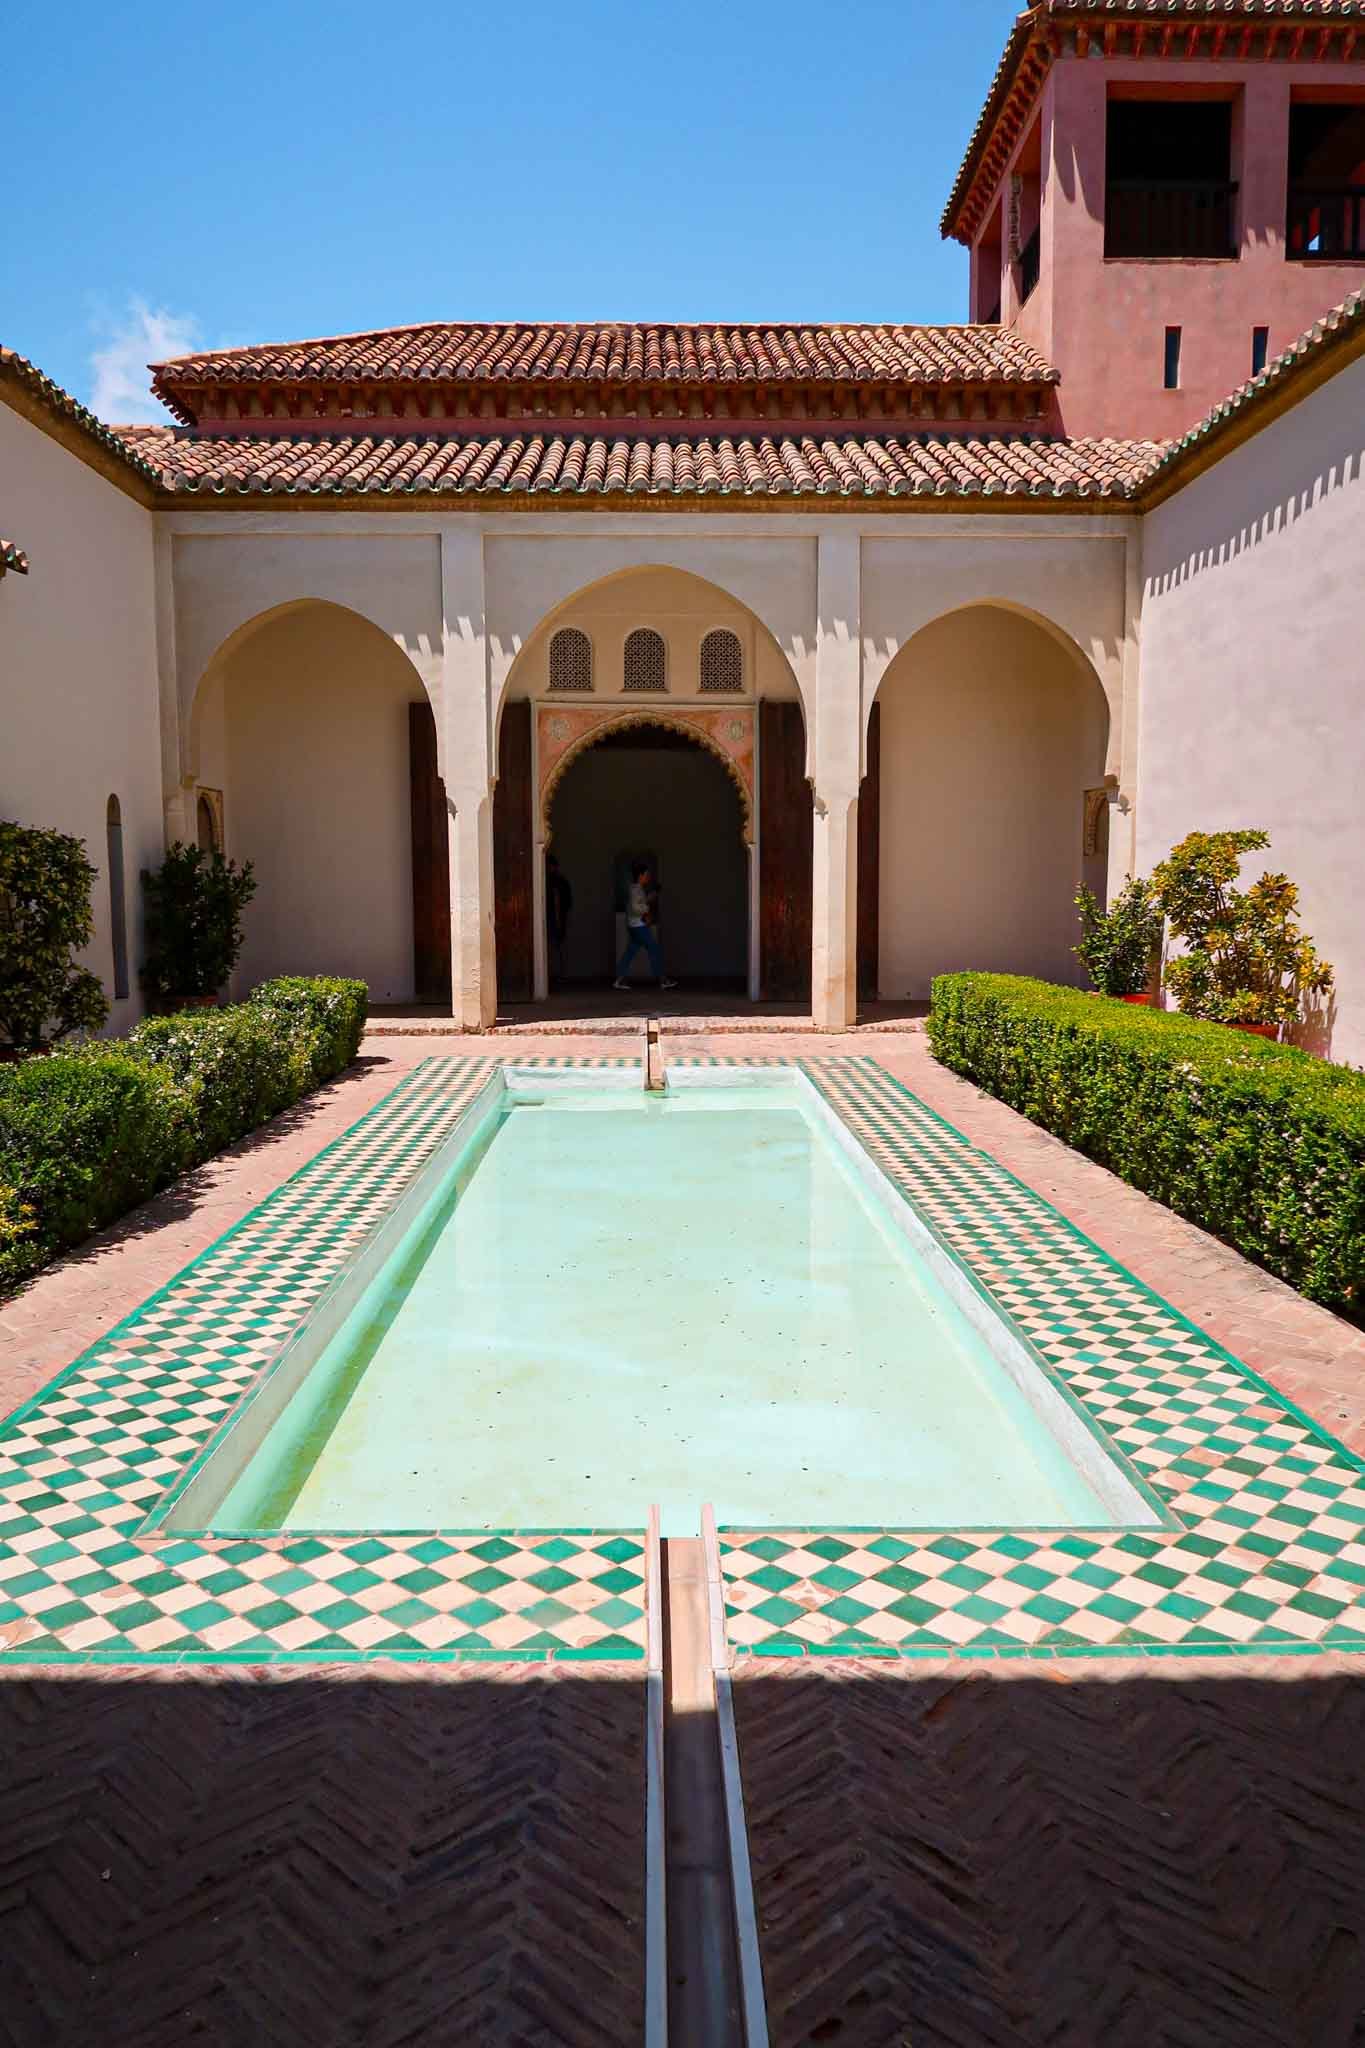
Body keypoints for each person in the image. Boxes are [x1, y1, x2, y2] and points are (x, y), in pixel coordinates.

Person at [613, 861, 677, 991]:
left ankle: (619, 980)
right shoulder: (635, 890)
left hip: (634, 926)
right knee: (654, 949)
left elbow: (640, 903)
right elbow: (636, 907)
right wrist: (647, 909)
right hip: (638, 926)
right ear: (640, 875)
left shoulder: (636, 889)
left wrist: (652, 896)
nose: (648, 877)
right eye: (646, 874)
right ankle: (663, 980)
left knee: (630, 952)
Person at [546, 852, 573, 985]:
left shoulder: (554, 882)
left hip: (556, 920)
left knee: (556, 948)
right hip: (556, 920)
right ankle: (555, 975)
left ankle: (557, 975)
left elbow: (564, 903)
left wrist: (558, 918)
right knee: (556, 949)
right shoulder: (556, 881)